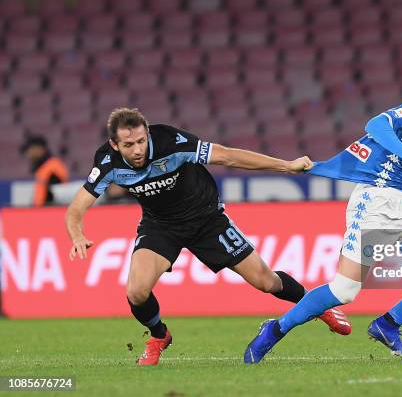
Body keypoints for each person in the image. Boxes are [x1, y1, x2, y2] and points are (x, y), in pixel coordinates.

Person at [65, 108, 352, 366]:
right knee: (136, 291)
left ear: (147, 133)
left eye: (141, 141)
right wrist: (77, 234)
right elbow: (77, 208)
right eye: (129, 145)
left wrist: (286, 166)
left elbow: (227, 156)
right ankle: (158, 336)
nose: (138, 149)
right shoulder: (107, 162)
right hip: (161, 226)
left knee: (266, 281)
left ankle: (317, 307)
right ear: (115, 144)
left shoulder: (170, 142)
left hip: (207, 220)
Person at [244, 63, 402, 364]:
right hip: (372, 199)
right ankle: (274, 330)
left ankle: (387, 324)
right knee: (344, 290)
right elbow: (375, 125)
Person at [20, 135, 69, 206]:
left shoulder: (53, 165)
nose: (28, 154)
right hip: (42, 212)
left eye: (29, 149)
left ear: (39, 148)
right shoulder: (43, 166)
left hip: (50, 213)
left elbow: (58, 194)